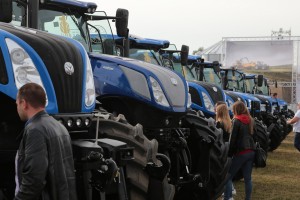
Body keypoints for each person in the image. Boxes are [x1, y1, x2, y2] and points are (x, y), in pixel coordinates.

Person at [15, 83, 77, 200]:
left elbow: (34, 179)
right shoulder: (60, 127)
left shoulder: (35, 130)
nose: (17, 108)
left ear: (24, 104)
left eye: (17, 104)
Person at [223, 101, 255, 200]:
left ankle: (228, 197)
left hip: (241, 152)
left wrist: (229, 154)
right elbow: (255, 136)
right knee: (248, 179)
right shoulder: (251, 120)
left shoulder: (236, 121)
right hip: (251, 151)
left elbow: (232, 139)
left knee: (227, 176)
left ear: (236, 109)